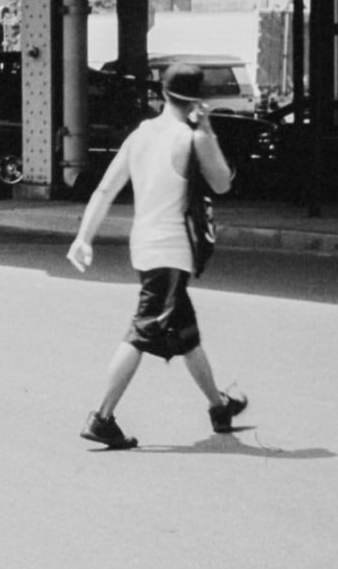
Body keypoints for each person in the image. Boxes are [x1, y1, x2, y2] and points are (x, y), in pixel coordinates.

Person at [66, 62, 248, 449]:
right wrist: (207, 128)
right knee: (141, 331)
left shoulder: (141, 134)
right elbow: (222, 183)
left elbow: (104, 190)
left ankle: (219, 408)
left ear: (162, 93)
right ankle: (101, 417)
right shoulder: (191, 137)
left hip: (145, 247)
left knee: (187, 335)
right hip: (171, 252)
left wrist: (84, 237)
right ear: (197, 99)